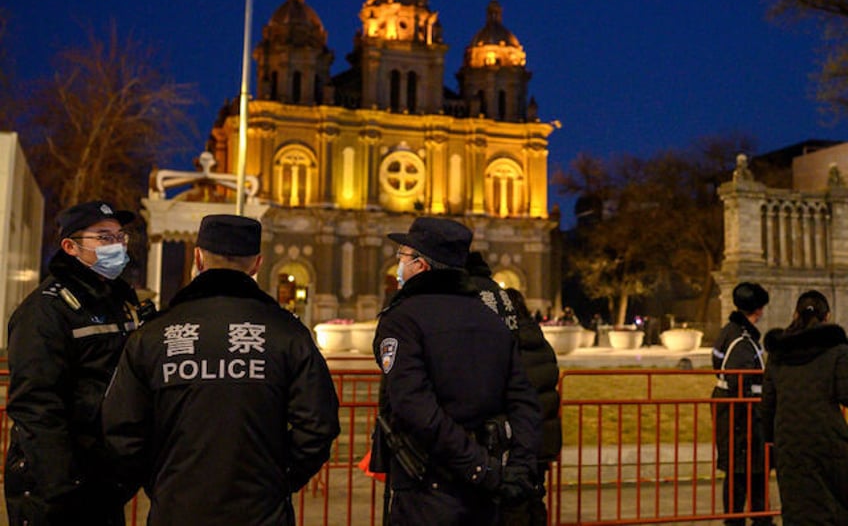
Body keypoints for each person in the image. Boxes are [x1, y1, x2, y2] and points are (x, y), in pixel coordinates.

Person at [101, 214, 340, 525]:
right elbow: (319, 425)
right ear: (256, 264)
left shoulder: (154, 335)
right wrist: (279, 477)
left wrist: (161, 480)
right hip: (261, 512)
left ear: (198, 258)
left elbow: (121, 430)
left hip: (177, 509)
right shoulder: (288, 334)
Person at [373, 217, 542, 525]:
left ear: (421, 266)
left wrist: (478, 467)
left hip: (427, 486)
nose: (399, 265)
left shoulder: (402, 320)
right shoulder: (491, 320)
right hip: (487, 491)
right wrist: (518, 469)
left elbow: (413, 405)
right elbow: (525, 402)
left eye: (402, 257)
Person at [5, 200, 143, 525]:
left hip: (103, 479)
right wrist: (61, 485)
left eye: (120, 237)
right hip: (57, 488)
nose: (117, 246)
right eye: (104, 237)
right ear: (70, 246)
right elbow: (36, 406)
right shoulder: (46, 310)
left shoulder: (118, 302)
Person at [761, 290, 848, 525]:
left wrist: (770, 438)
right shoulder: (837, 350)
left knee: (797, 506)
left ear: (795, 314)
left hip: (789, 440)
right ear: (827, 316)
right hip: (827, 437)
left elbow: (768, 401)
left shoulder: (778, 353)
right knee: (834, 505)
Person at [711, 281, 773, 526]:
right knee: (747, 471)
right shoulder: (743, 341)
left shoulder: (729, 331)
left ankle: (752, 518)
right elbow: (742, 385)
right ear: (757, 309)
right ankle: (749, 520)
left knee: (744, 471)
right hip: (743, 417)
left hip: (732, 413)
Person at [504, 287, 563, 526]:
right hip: (542, 440)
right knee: (535, 498)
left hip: (518, 443)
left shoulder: (508, 346)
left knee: (514, 505)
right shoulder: (541, 342)